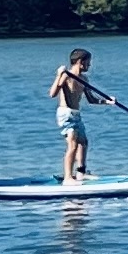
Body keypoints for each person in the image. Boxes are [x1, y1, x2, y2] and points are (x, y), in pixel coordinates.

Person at [50, 47, 99, 183]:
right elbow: (53, 93)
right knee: (73, 144)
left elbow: (92, 99)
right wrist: (59, 75)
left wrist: (108, 101)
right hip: (65, 114)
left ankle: (81, 173)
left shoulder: (84, 79)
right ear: (79, 62)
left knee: (83, 142)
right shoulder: (67, 76)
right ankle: (67, 177)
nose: (89, 65)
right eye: (88, 63)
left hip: (76, 114)